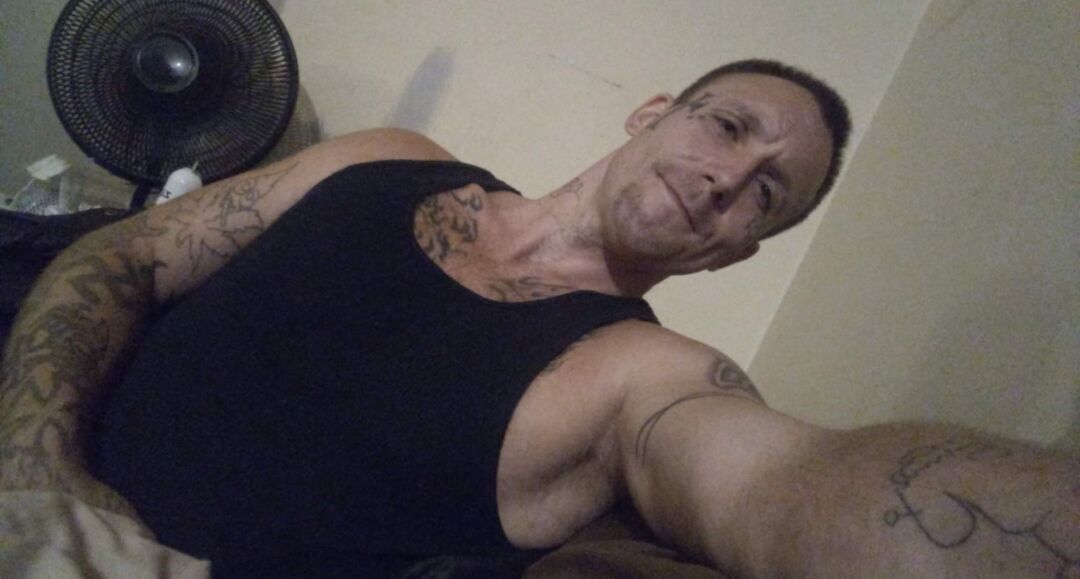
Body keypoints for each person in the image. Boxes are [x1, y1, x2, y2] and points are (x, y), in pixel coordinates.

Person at [1, 59, 1077, 578]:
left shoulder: (641, 373)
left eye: (765, 192)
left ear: (737, 250)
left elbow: (787, 482)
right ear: (653, 112)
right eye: (727, 127)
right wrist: (37, 462)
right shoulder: (387, 159)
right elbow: (127, 252)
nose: (726, 178)